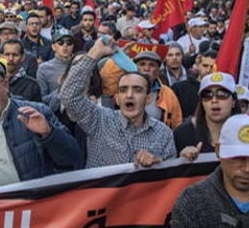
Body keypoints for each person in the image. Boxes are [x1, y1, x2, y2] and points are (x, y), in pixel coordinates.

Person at [0, 59, 83, 194]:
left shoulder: (37, 112)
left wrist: (49, 134)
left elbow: (72, 158)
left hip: (36, 204)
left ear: (6, 85)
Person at [59, 37, 176, 168]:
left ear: (148, 98)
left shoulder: (163, 134)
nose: (129, 95)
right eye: (123, 90)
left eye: (137, 90)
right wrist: (94, 54)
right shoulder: (99, 120)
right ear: (117, 98)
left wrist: (158, 163)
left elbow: (170, 179)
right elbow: (69, 97)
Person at [174, 72, 239, 160]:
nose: (214, 100)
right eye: (207, 95)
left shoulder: (247, 132)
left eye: (222, 95)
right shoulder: (183, 133)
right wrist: (181, 160)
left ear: (233, 101)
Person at [133, 51, 183, 130]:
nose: (146, 69)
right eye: (142, 64)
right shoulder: (124, 90)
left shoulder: (168, 94)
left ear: (158, 70)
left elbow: (177, 124)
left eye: (152, 65)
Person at [37, 29, 74, 104]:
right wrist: (62, 90)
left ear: (73, 46)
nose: (65, 45)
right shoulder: (44, 68)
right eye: (60, 42)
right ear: (53, 46)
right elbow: (41, 99)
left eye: (69, 42)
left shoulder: (80, 65)